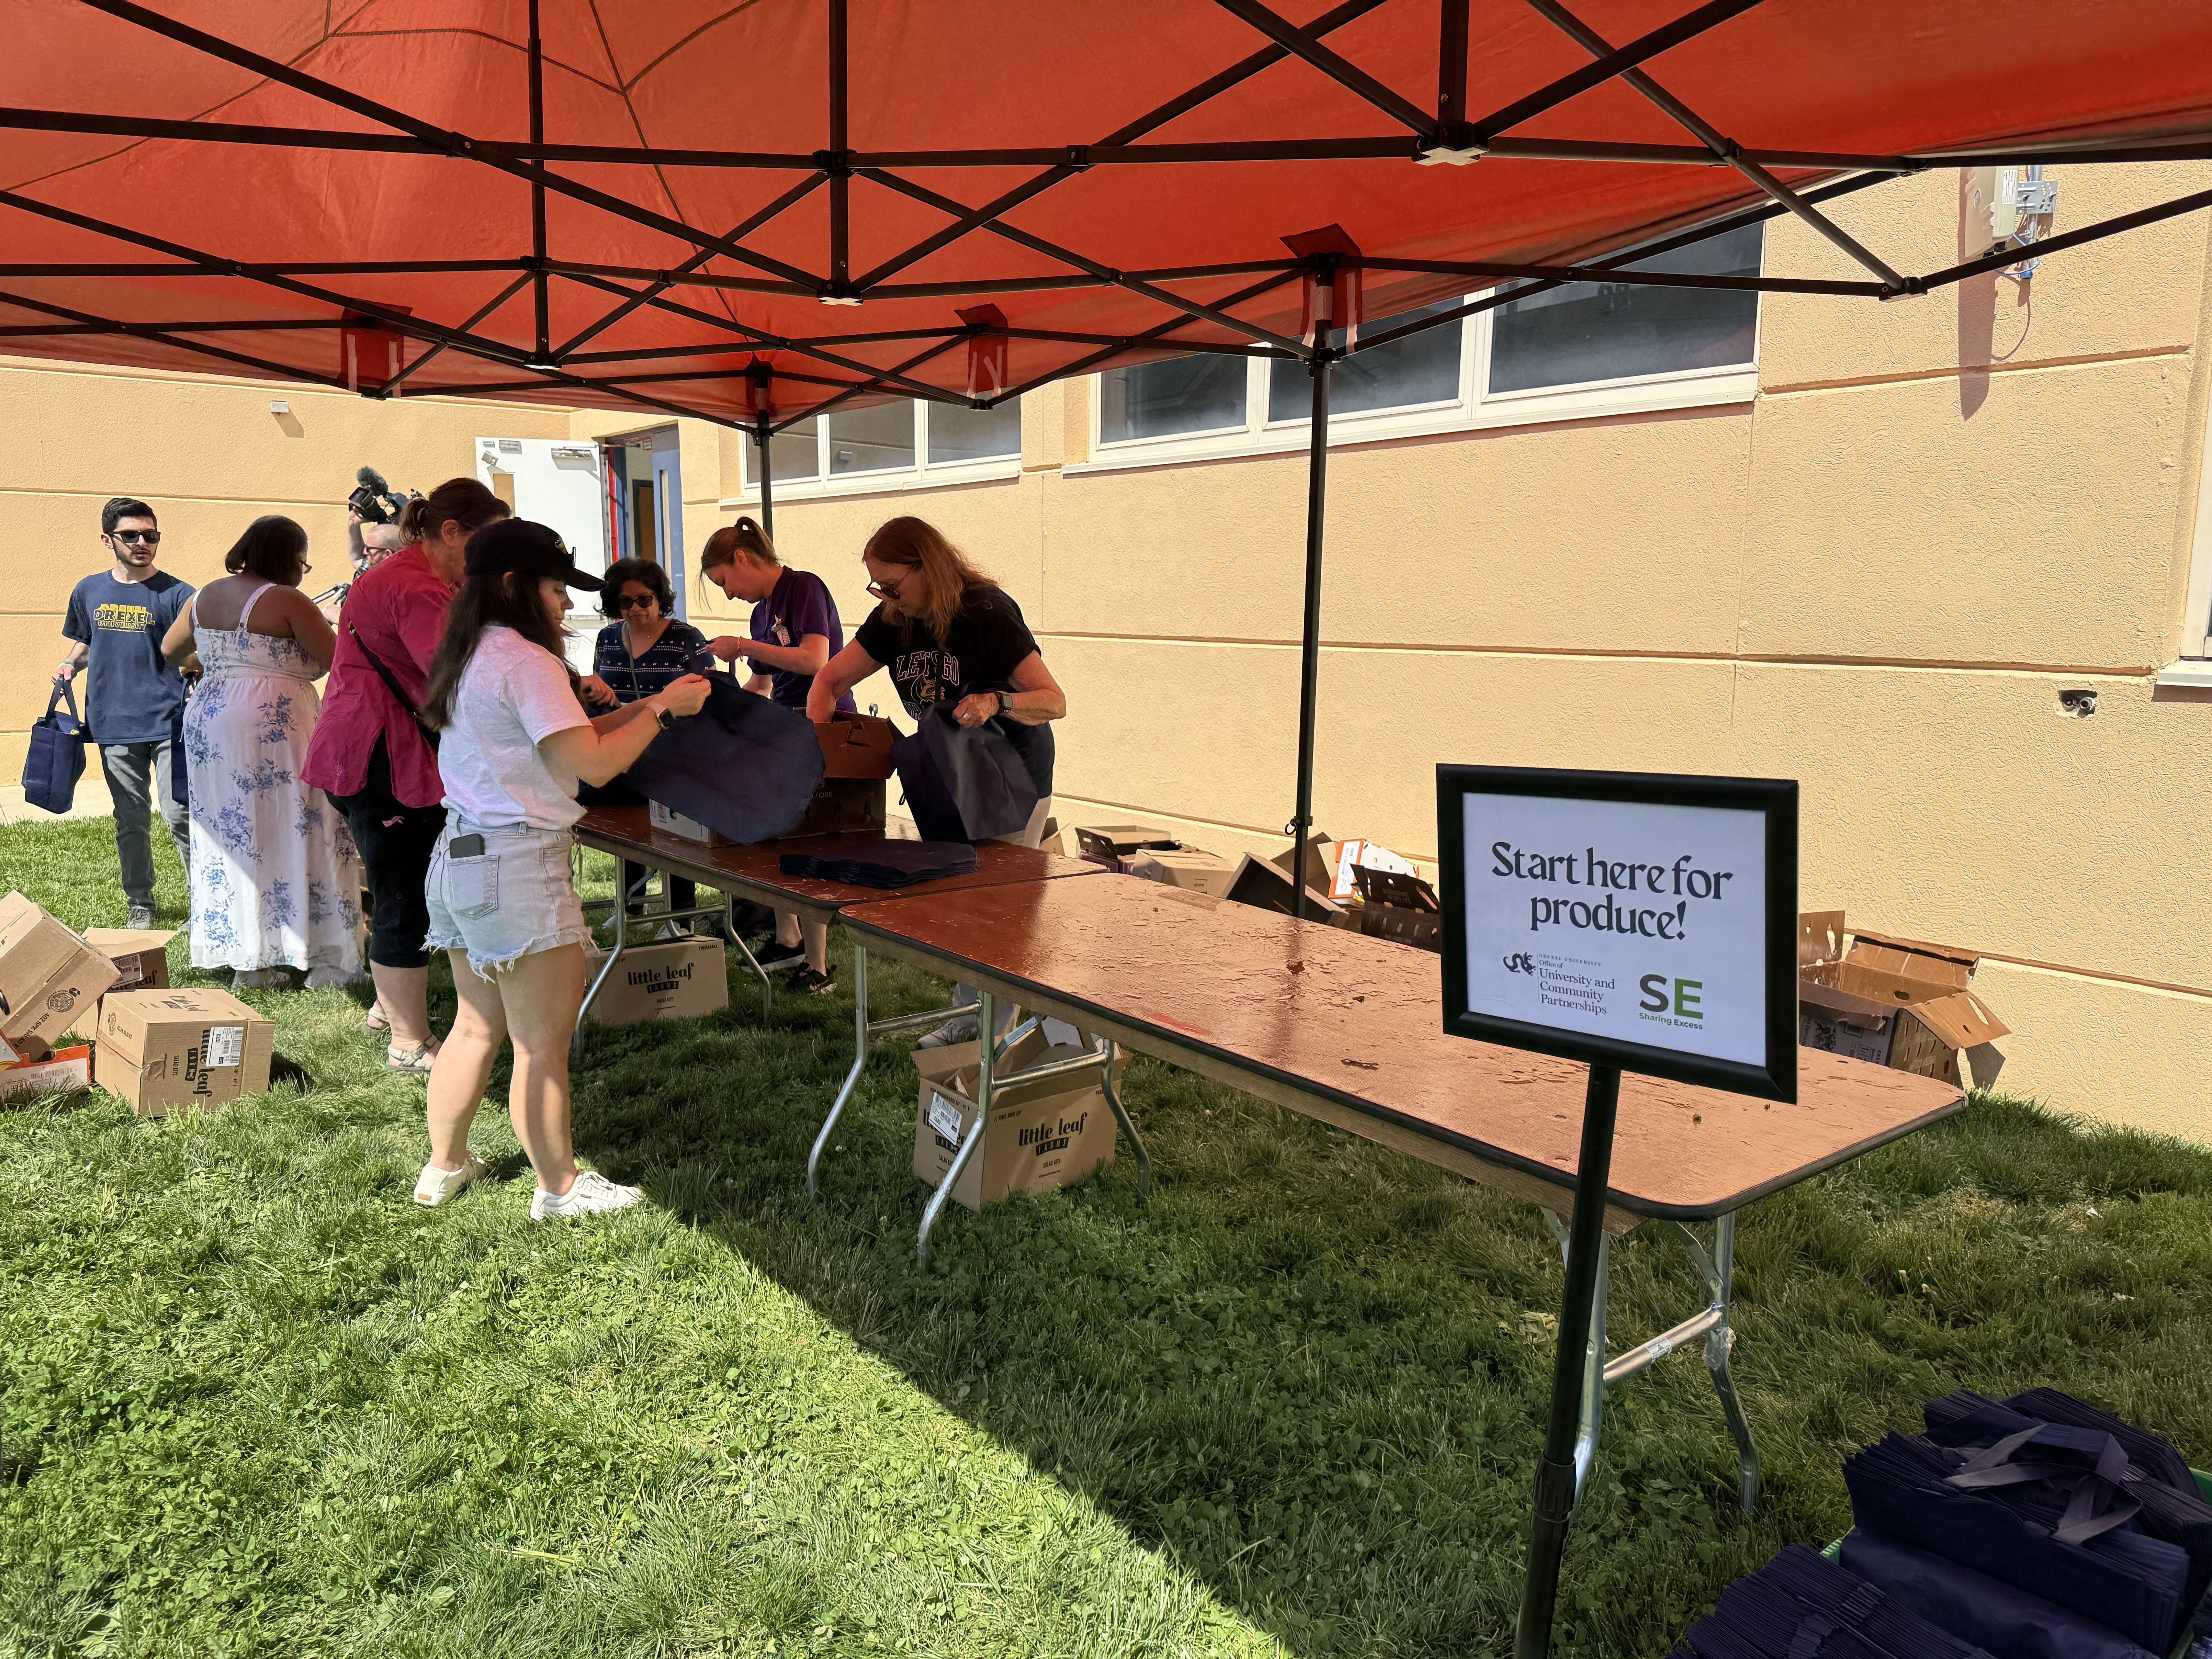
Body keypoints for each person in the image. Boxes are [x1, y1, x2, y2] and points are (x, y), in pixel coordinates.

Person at [411, 518, 710, 1219]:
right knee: (540, 1044)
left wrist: (642, 707)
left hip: (460, 857)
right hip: (516, 866)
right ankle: (561, 1187)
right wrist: (665, 709)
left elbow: (563, 740)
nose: (565, 605)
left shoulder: (473, 652)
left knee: (473, 1027)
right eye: (554, 589)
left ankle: (444, 1165)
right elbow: (595, 763)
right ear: (516, 587)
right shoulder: (526, 660)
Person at [807, 516, 1067, 1045]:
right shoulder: (894, 619)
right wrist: (820, 755)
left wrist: (999, 700)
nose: (888, 598)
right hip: (946, 776)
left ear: (930, 567)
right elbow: (830, 679)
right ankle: (967, 1018)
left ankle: (988, 1038)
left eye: (894, 585)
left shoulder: (987, 613)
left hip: (1010, 779)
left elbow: (1054, 701)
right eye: (878, 587)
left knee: (998, 909)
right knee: (960, 899)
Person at [303, 477, 510, 1073]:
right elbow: (453, 674)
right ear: (452, 533)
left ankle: (386, 1009)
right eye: (486, 544)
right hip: (383, 757)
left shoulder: (417, 576)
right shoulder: (415, 586)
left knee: (402, 884)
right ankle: (410, 1043)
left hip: (368, 751)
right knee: (405, 895)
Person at [161, 516, 364, 989]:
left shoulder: (202, 597)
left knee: (233, 832)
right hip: (274, 721)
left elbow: (172, 651)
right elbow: (338, 660)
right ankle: (325, 956)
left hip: (212, 718)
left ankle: (250, 962)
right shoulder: (287, 600)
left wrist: (214, 664)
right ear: (288, 556)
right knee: (303, 822)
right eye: (301, 557)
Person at [699, 517, 855, 994]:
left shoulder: (804, 588)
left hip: (822, 727)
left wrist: (743, 647)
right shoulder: (760, 614)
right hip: (781, 727)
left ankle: (818, 964)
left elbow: (815, 661)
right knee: (774, 837)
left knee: (804, 841)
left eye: (725, 581)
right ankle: (787, 940)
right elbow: (763, 684)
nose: (729, 595)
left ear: (742, 559)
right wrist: (719, 702)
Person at [54, 497, 194, 929]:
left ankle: (207, 903)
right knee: (130, 819)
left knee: (181, 816)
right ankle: (141, 903)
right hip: (114, 723)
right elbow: (88, 641)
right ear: (107, 540)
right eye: (131, 535)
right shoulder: (89, 590)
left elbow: (197, 654)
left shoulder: (179, 594)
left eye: (150, 536)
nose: (142, 543)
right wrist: (70, 664)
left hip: (170, 720)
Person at [574, 557, 713, 939]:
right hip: (623, 749)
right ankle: (632, 905)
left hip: (674, 755)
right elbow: (600, 698)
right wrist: (596, 692)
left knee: (675, 832)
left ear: (660, 598)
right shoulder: (607, 639)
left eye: (645, 599)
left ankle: (681, 918)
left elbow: (709, 695)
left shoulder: (687, 637)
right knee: (621, 825)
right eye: (625, 602)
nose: (636, 609)